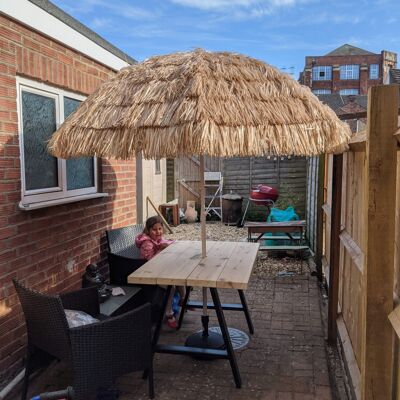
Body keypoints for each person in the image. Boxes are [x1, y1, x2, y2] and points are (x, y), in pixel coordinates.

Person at [135, 215, 185, 329]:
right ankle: (169, 313)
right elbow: (150, 263)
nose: (158, 232)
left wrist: (171, 244)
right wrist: (161, 250)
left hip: (161, 270)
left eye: (160, 229)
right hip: (149, 273)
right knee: (170, 285)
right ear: (148, 230)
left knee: (180, 276)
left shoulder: (159, 239)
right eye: (154, 229)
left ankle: (183, 300)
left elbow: (166, 243)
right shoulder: (147, 243)